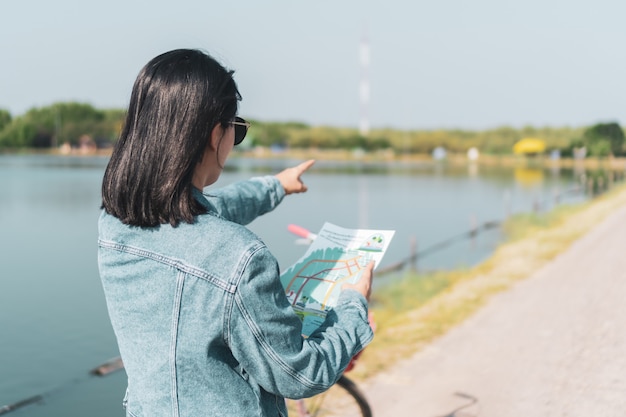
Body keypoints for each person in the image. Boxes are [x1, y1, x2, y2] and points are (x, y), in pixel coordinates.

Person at [98, 48, 374, 417]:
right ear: (216, 134)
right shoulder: (240, 256)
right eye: (236, 130)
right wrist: (353, 303)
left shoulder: (116, 223)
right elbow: (300, 374)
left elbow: (211, 212)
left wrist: (276, 186)